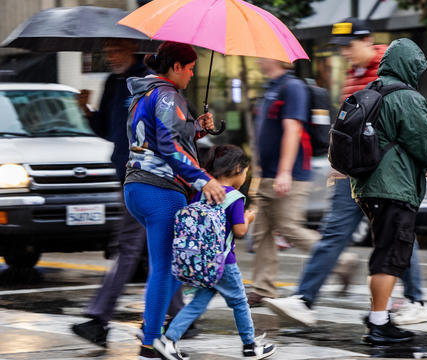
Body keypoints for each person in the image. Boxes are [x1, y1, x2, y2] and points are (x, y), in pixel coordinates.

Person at [263, 18, 427, 327]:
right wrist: (339, 163)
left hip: (385, 175)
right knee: (335, 232)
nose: (345, 54)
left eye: (349, 46)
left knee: (398, 235)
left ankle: (417, 300)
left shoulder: (390, 69)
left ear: (368, 41)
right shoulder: (353, 74)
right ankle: (304, 299)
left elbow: (406, 122)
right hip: (355, 172)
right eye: (340, 49)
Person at [71, 38, 195, 348]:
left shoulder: (152, 84)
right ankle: (179, 316)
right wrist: (86, 110)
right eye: (107, 51)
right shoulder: (114, 82)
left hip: (150, 179)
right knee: (156, 249)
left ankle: (100, 318)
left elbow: (171, 134)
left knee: (131, 248)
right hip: (130, 177)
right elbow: (111, 129)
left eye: (116, 50)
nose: (110, 56)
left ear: (133, 50)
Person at [352, 38, 427, 344]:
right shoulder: (405, 97)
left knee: (386, 252)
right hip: (393, 189)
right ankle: (379, 323)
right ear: (408, 66)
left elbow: (398, 142)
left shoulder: (371, 91)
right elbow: (426, 140)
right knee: (390, 255)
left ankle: (378, 315)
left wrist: (422, 164)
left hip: (370, 186)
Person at [123, 41, 226, 359]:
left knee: (170, 266)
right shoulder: (168, 95)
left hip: (136, 188)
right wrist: (204, 179)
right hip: (161, 191)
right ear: (177, 66)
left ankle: (150, 327)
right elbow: (168, 147)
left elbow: (159, 138)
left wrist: (195, 128)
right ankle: (151, 340)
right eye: (191, 68)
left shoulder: (145, 93)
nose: (194, 74)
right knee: (166, 267)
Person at [153, 145, 277, 360]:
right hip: (223, 262)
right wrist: (248, 218)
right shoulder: (235, 197)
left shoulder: (202, 192)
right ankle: (250, 346)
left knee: (198, 303)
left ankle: (168, 340)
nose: (245, 177)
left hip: (201, 261)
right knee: (239, 301)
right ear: (238, 168)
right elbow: (239, 231)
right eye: (246, 172)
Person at [246, 59, 321, 306]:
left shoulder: (293, 87)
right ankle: (263, 288)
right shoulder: (271, 88)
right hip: (266, 174)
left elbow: (293, 129)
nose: (259, 57)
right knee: (262, 233)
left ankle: (339, 260)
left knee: (290, 228)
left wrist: (285, 171)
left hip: (290, 174)